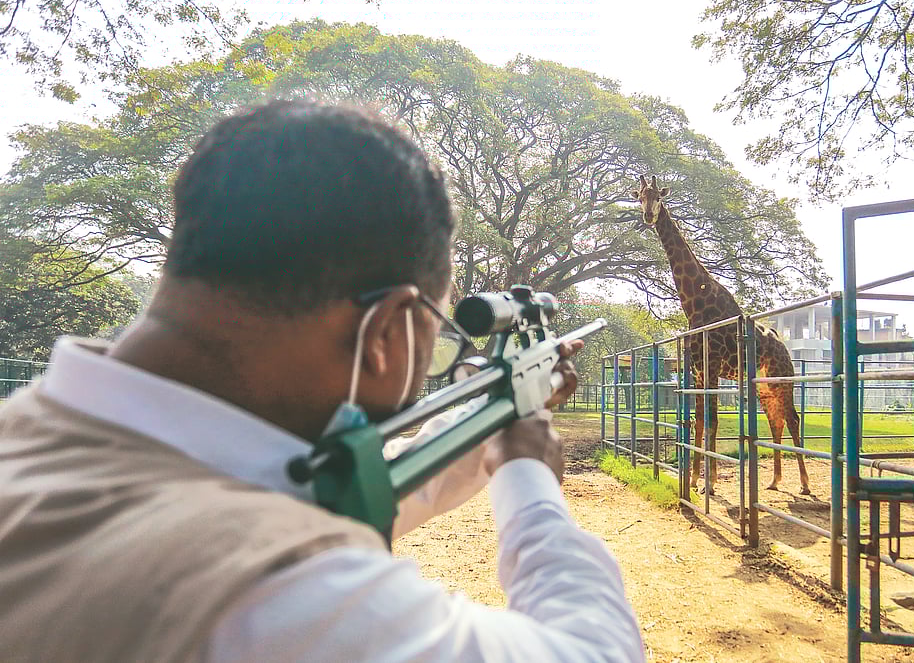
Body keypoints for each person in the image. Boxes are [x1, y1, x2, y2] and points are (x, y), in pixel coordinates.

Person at [0, 99, 645, 662]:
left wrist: (489, 425)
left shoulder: (36, 439)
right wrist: (528, 473)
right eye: (432, 330)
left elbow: (325, 491)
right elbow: (597, 651)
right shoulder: (276, 595)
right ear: (387, 330)